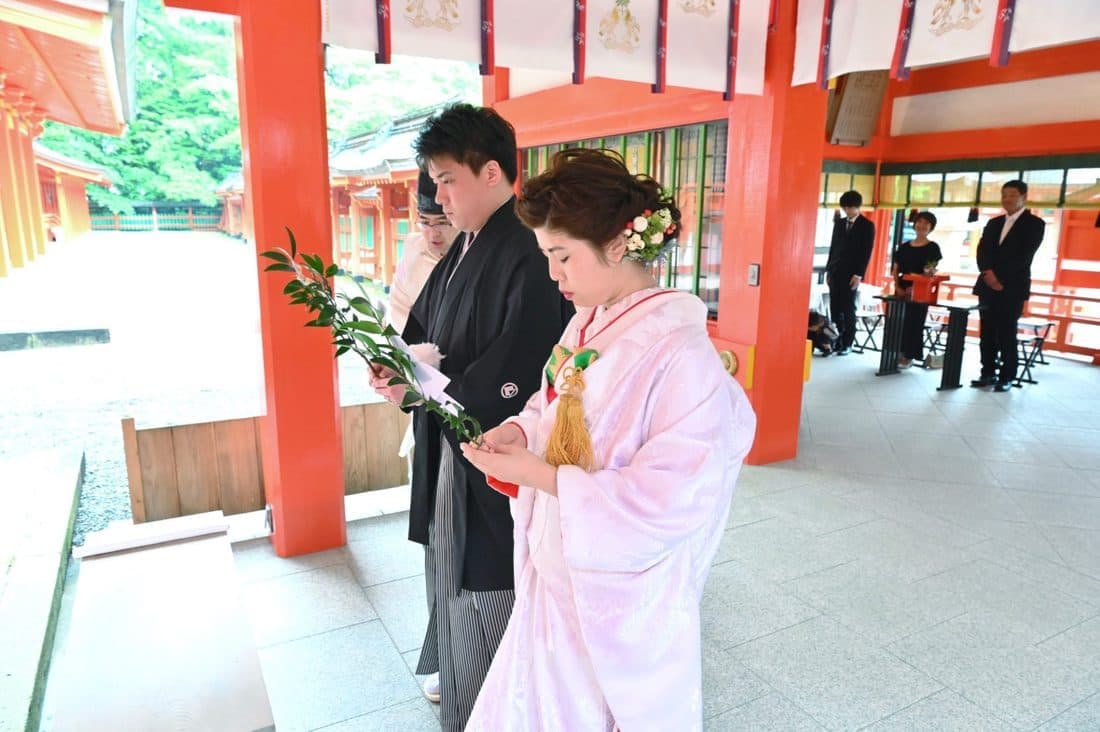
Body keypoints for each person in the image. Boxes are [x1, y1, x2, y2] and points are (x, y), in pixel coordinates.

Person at [458, 149, 756, 731]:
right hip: (559, 571)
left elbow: (675, 496)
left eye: (562, 256)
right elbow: (554, 403)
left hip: (615, 596)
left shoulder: (683, 353)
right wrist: (521, 429)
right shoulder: (588, 321)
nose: (554, 275)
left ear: (618, 245)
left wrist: (541, 476)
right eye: (548, 257)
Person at [369, 103, 573, 731]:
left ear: (491, 172)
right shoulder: (467, 243)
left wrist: (430, 392)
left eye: (447, 180)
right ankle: (461, 690)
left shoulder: (528, 248)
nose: (439, 197)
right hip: (451, 438)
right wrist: (397, 368)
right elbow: (424, 328)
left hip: (488, 450)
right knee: (448, 569)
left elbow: (521, 362)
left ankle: (482, 711)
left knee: (482, 585)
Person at [970, 180, 1045, 392]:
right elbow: (982, 250)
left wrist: (999, 278)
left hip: (1012, 287)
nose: (1007, 199)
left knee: (1007, 331)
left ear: (1023, 197)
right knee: (987, 331)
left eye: (1012, 195)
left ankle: (1007, 375)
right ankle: (987, 372)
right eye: (1004, 195)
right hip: (987, 284)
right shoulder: (994, 223)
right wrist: (988, 273)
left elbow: (1024, 256)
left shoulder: (1034, 224)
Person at [387, 169, 459, 333]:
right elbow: (397, 308)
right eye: (425, 222)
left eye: (442, 222)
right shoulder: (412, 251)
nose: (433, 233)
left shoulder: (475, 252)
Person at [826, 190, 876, 355]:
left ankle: (848, 342)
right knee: (834, 306)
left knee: (848, 307)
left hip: (852, 273)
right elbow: (833, 247)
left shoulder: (867, 225)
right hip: (836, 270)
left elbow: (866, 252)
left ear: (858, 207)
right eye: (845, 208)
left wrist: (858, 274)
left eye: (850, 207)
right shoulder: (840, 223)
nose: (848, 211)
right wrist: (829, 269)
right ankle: (836, 339)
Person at [892, 211, 943, 368]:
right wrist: (897, 286)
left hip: (921, 291)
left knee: (914, 323)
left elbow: (930, 271)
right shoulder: (904, 246)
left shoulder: (933, 247)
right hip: (902, 288)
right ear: (914, 224)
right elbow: (896, 268)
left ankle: (909, 356)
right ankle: (895, 353)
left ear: (931, 227)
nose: (922, 225)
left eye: (926, 223)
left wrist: (914, 287)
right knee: (897, 321)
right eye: (919, 222)